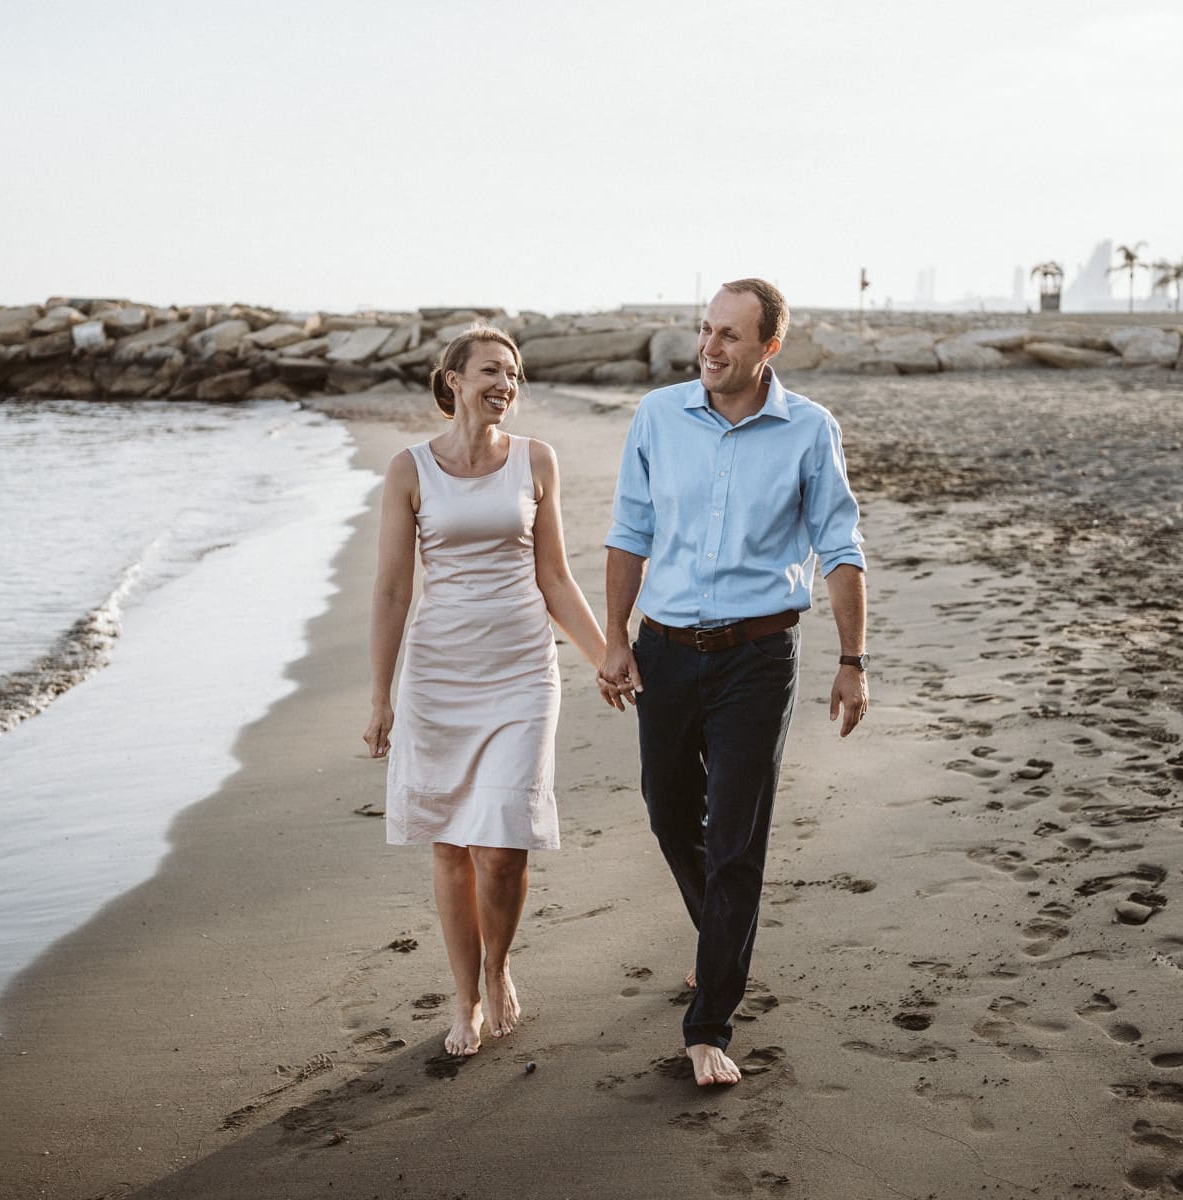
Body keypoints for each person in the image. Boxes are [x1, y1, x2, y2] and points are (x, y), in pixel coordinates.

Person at [598, 279, 868, 1086]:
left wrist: (853, 661)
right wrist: (614, 637)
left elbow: (840, 547)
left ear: (769, 349)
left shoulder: (810, 431)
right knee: (669, 809)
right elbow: (629, 532)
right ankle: (719, 932)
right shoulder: (657, 416)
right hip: (668, 650)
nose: (711, 348)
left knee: (737, 839)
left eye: (730, 337)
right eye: (705, 330)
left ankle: (709, 1020)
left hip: (758, 658)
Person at [364, 326, 606, 1058]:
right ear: (454, 380)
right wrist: (381, 698)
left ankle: (498, 967)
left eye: (515, 373)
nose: (507, 383)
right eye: (493, 371)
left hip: (522, 673)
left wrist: (605, 657)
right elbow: (392, 588)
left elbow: (556, 577)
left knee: (503, 848)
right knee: (450, 844)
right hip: (439, 676)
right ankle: (465, 999)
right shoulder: (410, 471)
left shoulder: (536, 460)